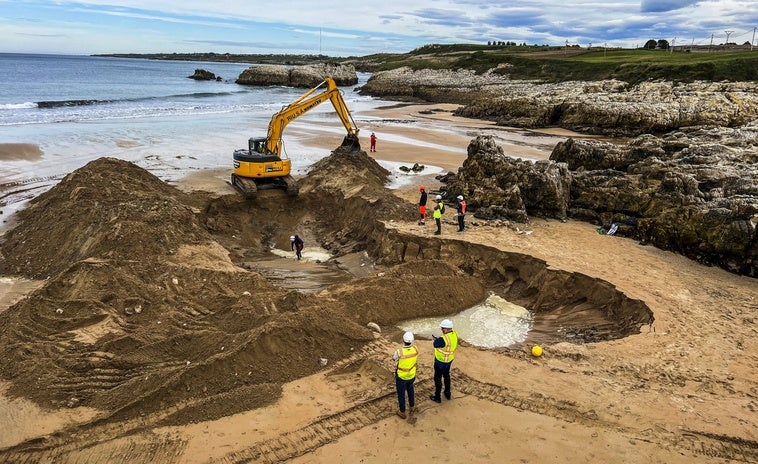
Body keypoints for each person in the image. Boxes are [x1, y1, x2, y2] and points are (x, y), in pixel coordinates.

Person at [429, 319, 458, 403]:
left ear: (446, 328)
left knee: (437, 378)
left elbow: (435, 344)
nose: (441, 330)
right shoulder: (454, 334)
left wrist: (436, 340)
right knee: (446, 376)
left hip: (440, 361)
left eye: (442, 328)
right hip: (449, 360)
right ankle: (447, 393)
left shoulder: (443, 339)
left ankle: (437, 397)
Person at [393, 331, 418, 419]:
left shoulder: (399, 352)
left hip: (401, 376)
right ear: (412, 341)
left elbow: (394, 359)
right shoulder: (415, 349)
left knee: (401, 394)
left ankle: (402, 412)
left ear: (403, 340)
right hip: (411, 375)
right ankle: (412, 406)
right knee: (410, 389)